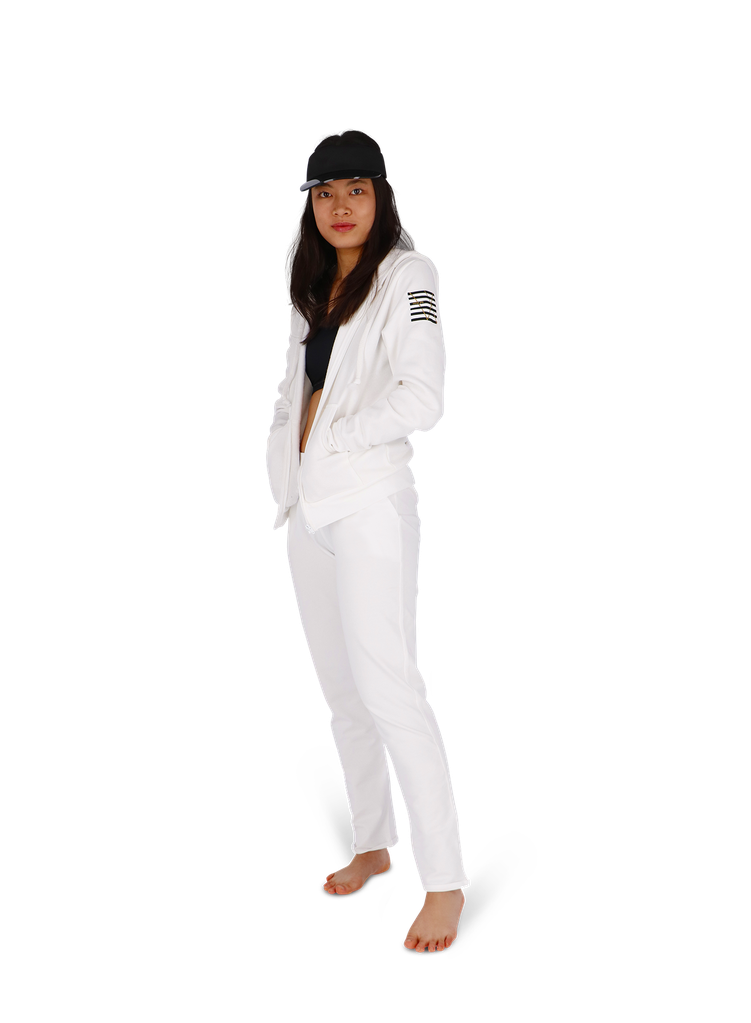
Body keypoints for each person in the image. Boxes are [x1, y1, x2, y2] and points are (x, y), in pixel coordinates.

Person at [265, 130, 468, 954]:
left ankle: (445, 881)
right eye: (324, 194)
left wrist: (337, 442)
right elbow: (294, 392)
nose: (340, 206)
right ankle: (374, 842)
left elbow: (424, 398)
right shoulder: (311, 287)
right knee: (342, 694)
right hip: (307, 511)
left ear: (381, 195)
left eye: (355, 189)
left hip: (370, 507)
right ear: (309, 207)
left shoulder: (409, 276)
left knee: (392, 691)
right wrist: (286, 469)